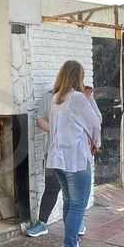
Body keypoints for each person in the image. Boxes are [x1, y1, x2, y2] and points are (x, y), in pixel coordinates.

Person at [25, 83, 99, 238]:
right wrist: (59, 129)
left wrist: (94, 142)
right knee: (52, 187)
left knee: (76, 194)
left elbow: (97, 119)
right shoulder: (48, 97)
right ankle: (42, 223)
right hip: (54, 152)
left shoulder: (84, 96)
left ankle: (76, 224)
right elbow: (40, 120)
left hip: (78, 155)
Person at [47, 61, 103, 247]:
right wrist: (96, 143)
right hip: (76, 158)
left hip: (58, 158)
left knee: (70, 202)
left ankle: (70, 246)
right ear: (78, 77)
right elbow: (95, 123)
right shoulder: (77, 98)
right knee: (77, 204)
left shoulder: (56, 98)